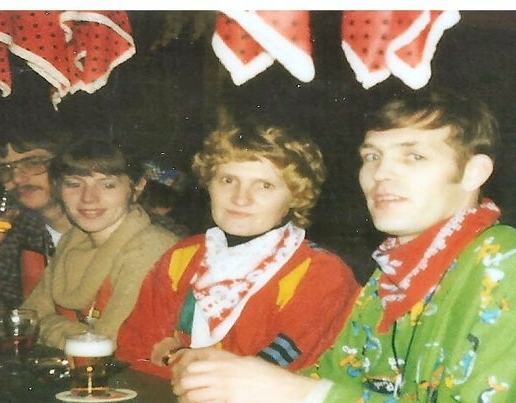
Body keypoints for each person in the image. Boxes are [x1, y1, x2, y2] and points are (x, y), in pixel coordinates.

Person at [171, 88, 516, 403]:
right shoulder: (393, 273)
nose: (381, 174)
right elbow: (335, 381)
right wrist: (238, 377)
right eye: (372, 156)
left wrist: (294, 394)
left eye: (413, 156)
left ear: (474, 171)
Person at [116, 120, 359, 379]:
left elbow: (267, 377)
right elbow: (133, 348)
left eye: (264, 185)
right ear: (209, 184)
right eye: (228, 180)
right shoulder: (183, 256)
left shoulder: (322, 274)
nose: (240, 198)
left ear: (296, 196)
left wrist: (174, 356)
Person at [20, 138, 179, 349]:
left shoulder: (152, 249)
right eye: (74, 184)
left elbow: (109, 344)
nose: (88, 198)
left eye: (107, 185)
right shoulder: (72, 241)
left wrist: (50, 327)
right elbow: (30, 320)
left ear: (138, 186)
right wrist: (71, 333)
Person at [0, 129, 73, 329]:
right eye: (5, 169)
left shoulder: (104, 228)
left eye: (33, 163)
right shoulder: (18, 231)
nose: (16, 178)